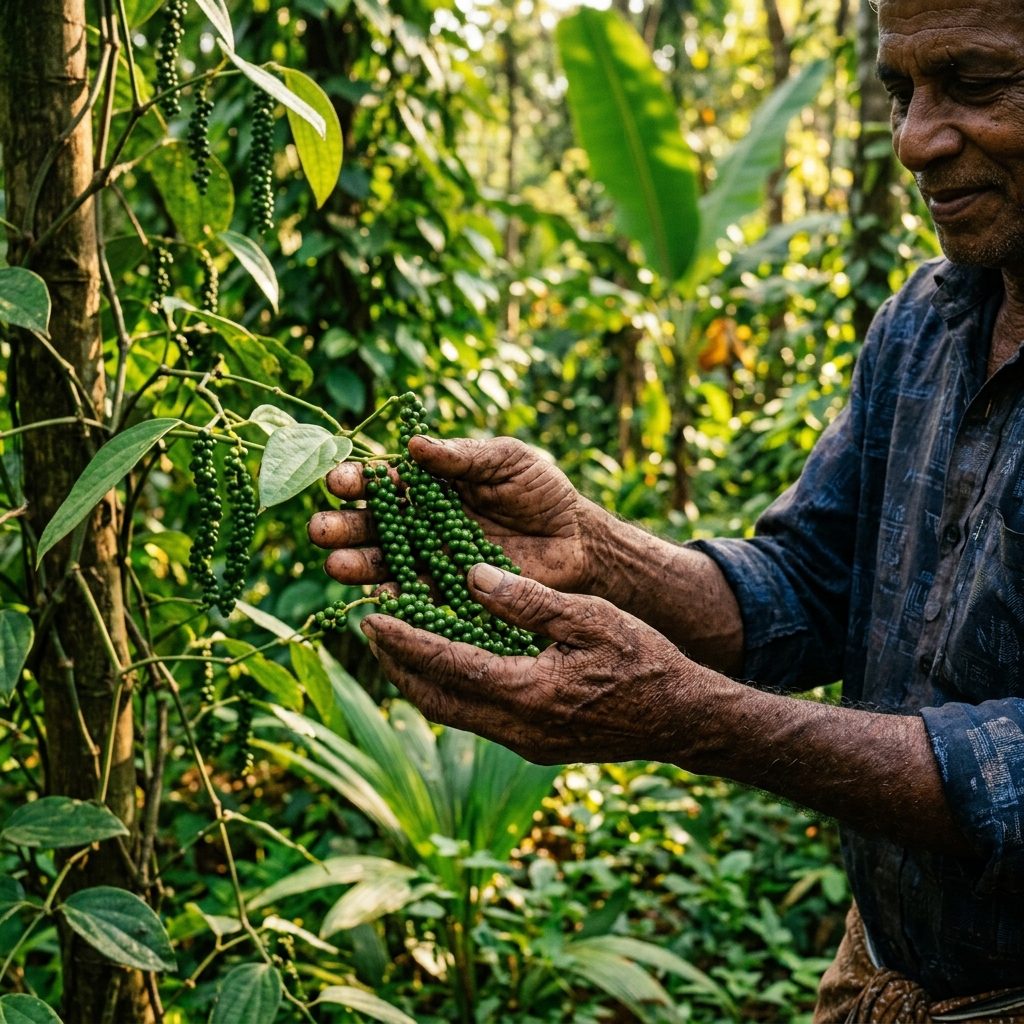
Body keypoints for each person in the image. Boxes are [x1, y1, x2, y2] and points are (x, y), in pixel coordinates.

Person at [308, 0, 1024, 1017]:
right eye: (901, 92)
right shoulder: (926, 321)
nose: (913, 140)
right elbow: (809, 586)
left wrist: (692, 720)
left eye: (978, 85)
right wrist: (593, 548)